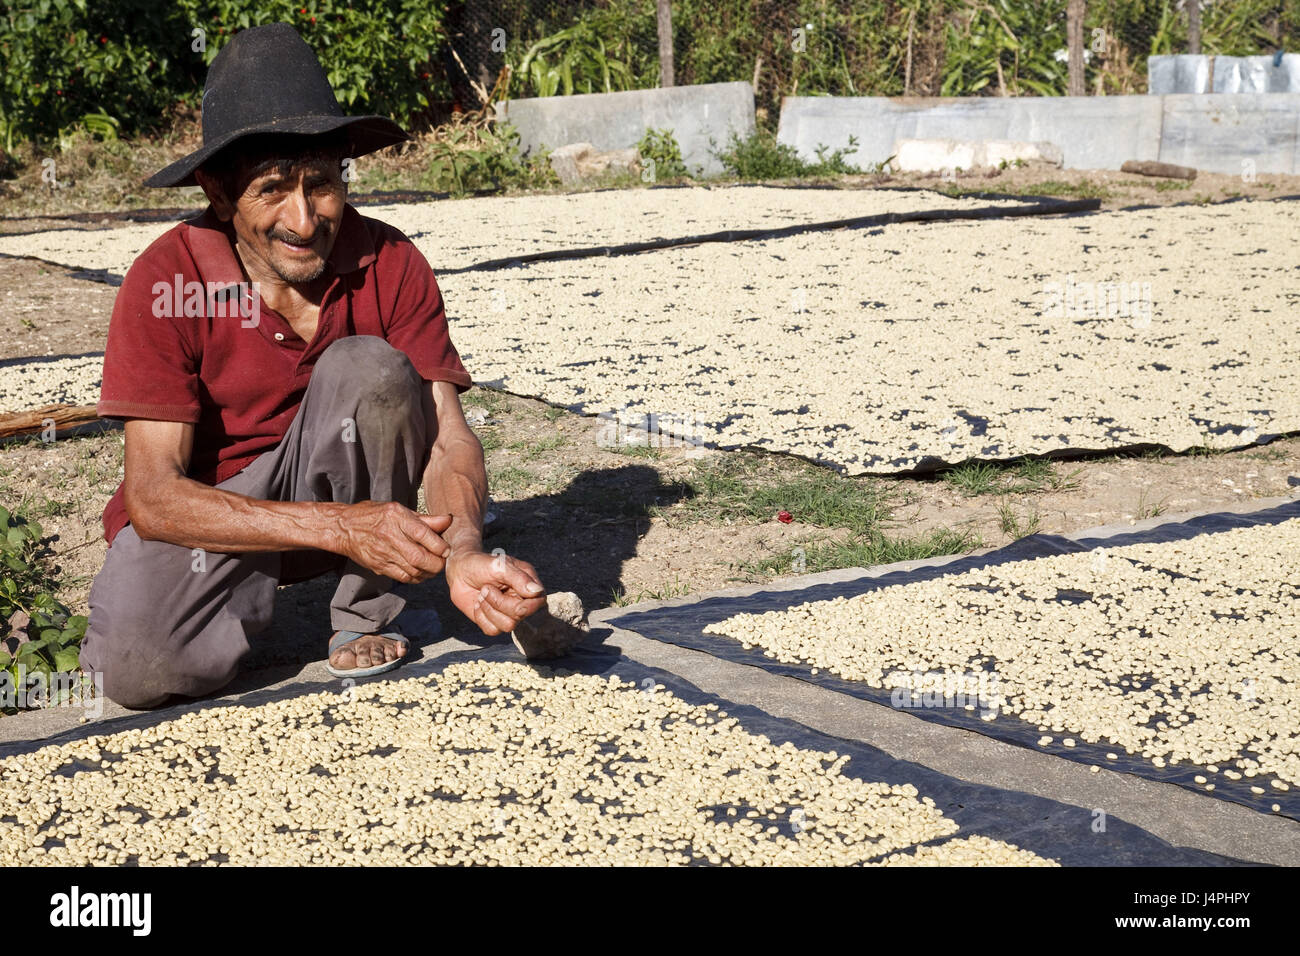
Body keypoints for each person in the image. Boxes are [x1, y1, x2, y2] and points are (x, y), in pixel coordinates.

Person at [80, 22, 546, 709]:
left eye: (321, 185)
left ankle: (370, 610)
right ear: (217, 192)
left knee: (374, 369)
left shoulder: (390, 262)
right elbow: (153, 495)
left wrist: (465, 547)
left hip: (342, 486)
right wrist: (338, 527)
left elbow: (449, 435)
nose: (304, 220)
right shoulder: (166, 281)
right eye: (272, 190)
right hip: (223, 509)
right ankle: (244, 600)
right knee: (131, 672)